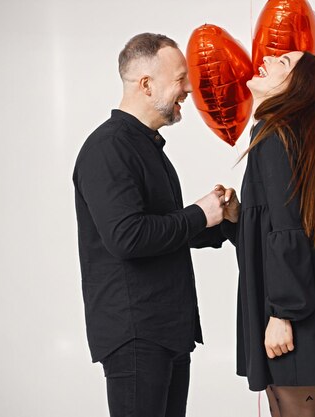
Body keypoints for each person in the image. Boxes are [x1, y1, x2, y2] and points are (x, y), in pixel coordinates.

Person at [72, 33, 239, 417]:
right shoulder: (108, 148)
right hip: (136, 335)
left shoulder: (145, 146)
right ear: (146, 85)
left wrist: (220, 222)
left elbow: (160, 231)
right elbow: (127, 237)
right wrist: (200, 213)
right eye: (180, 78)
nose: (189, 89)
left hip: (166, 330)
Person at [226, 51, 315, 416]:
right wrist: (239, 217)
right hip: (287, 298)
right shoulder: (275, 135)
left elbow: (288, 230)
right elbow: (274, 227)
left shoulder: (275, 136)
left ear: (295, 90)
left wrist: (282, 314)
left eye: (282, 63)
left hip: (290, 305)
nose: (268, 58)